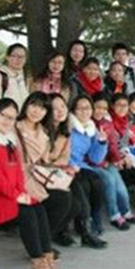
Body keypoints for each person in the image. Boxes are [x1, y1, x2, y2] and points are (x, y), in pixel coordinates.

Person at [0, 98, 60, 269]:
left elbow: (18, 171)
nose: (7, 121)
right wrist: (16, 195)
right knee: (27, 212)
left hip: (10, 192)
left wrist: (22, 192)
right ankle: (38, 263)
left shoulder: (10, 138)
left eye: (12, 118)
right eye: (3, 116)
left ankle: (47, 257)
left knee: (38, 207)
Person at [16, 92, 74, 269]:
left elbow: (46, 159)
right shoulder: (15, 128)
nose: (37, 111)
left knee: (65, 198)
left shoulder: (43, 131)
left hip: (36, 176)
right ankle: (39, 250)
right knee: (35, 206)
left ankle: (43, 240)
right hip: (18, 177)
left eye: (42, 108)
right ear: (26, 105)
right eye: (33, 105)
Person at [90, 94, 135, 230]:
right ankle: (114, 215)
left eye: (103, 108)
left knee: (120, 186)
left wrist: (117, 159)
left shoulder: (107, 123)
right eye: (97, 107)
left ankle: (126, 212)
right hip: (91, 163)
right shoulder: (87, 123)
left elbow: (112, 144)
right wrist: (108, 161)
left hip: (106, 160)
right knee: (109, 180)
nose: (100, 111)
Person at [66, 95, 109, 248]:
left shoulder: (91, 128)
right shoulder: (68, 127)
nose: (85, 111)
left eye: (88, 108)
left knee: (98, 183)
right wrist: (71, 165)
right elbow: (61, 151)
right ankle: (85, 231)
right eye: (80, 108)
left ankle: (92, 219)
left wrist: (102, 142)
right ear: (73, 110)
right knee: (82, 186)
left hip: (82, 166)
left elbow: (95, 159)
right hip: (66, 166)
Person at [46, 94, 81, 248]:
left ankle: (58, 231)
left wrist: (65, 167)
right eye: (54, 108)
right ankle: (44, 236)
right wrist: (58, 165)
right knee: (64, 200)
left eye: (62, 106)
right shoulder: (41, 130)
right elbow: (41, 159)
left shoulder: (64, 130)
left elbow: (64, 158)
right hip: (39, 175)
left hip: (56, 172)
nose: (60, 111)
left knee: (77, 203)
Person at [0, 43, 29, 109]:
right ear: (7, 57)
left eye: (22, 57)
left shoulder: (24, 77)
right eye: (15, 56)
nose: (19, 59)